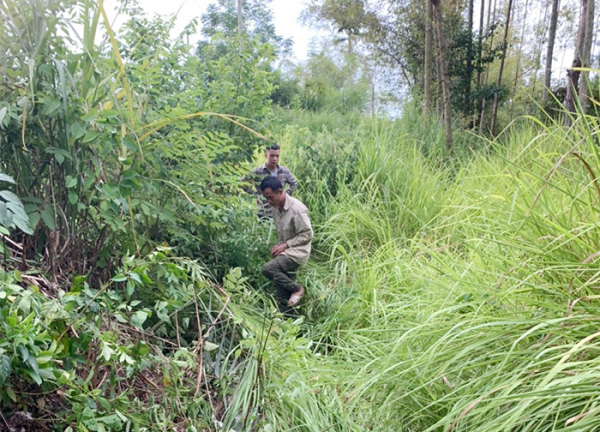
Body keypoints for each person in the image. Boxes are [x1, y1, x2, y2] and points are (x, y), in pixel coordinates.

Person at [260, 176, 313, 313]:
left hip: (298, 253)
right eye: (266, 198)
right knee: (283, 294)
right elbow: (282, 234)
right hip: (287, 251)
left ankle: (297, 289)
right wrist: (278, 246)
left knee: (268, 269)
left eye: (270, 197)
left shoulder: (297, 209)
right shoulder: (276, 207)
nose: (268, 201)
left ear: (280, 191)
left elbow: (307, 234)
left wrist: (285, 246)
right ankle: (290, 323)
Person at [248, 144, 297, 219]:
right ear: (266, 156)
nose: (275, 159)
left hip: (280, 211)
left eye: (277, 156)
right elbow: (242, 182)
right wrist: (256, 195)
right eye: (272, 156)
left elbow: (294, 184)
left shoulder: (284, 171)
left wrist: (284, 195)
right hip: (263, 212)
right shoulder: (258, 171)